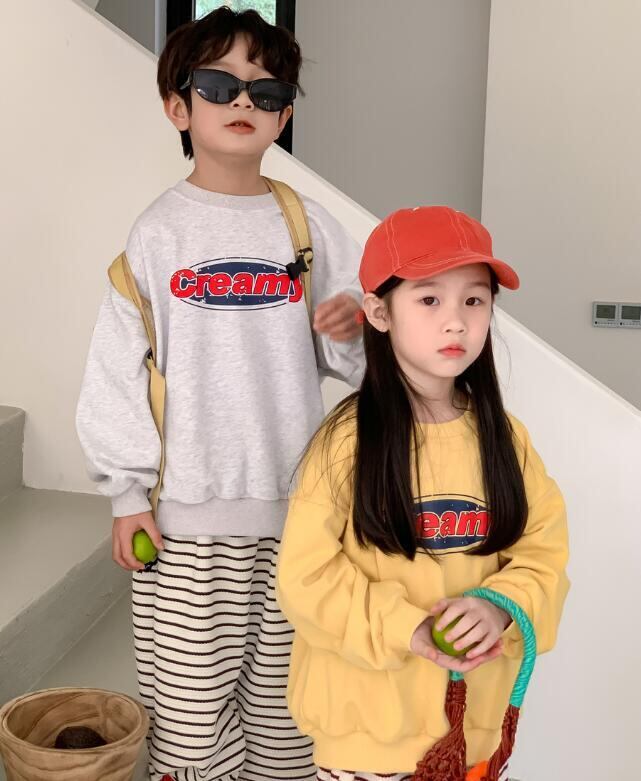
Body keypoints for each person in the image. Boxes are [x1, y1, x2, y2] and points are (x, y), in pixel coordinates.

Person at [76, 8, 363, 781]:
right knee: (190, 723)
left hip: (301, 522)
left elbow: (365, 362)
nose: (243, 101)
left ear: (284, 116)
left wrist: (352, 333)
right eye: (217, 84)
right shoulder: (157, 235)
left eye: (266, 91)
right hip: (183, 527)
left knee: (288, 715)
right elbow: (115, 370)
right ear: (178, 107)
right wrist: (126, 493)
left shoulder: (308, 226)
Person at [276, 205, 570, 781]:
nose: (456, 322)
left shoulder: (505, 439)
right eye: (430, 299)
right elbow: (306, 578)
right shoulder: (346, 443)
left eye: (474, 300)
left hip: (473, 736)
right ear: (379, 312)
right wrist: (407, 629)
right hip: (366, 741)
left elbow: (544, 556)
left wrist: (500, 606)